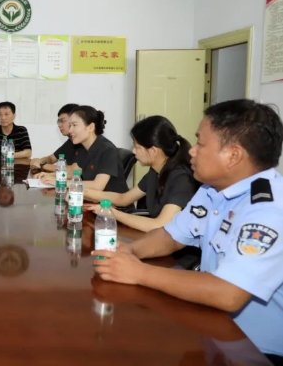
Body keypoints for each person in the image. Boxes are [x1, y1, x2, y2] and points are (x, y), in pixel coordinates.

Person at [92, 99, 283, 364]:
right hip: (214, 327)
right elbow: (171, 235)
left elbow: (228, 293)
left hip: (257, 350)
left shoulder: (269, 209)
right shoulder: (212, 190)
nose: (191, 151)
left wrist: (139, 272)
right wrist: (130, 250)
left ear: (234, 155)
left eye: (201, 144)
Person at [84, 116, 200, 232]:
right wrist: (83, 192)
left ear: (153, 151)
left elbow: (160, 225)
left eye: (137, 147)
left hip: (175, 241)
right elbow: (124, 198)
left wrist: (111, 213)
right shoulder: (155, 171)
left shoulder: (181, 178)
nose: (133, 151)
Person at [37, 106, 128, 196]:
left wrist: (60, 182)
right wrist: (50, 176)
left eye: (74, 125)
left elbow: (97, 185)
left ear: (91, 127)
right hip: (91, 199)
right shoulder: (85, 148)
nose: (70, 130)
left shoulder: (107, 149)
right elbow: (74, 173)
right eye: (70, 125)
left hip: (110, 204)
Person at [30, 103, 86, 172]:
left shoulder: (84, 142)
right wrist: (38, 161)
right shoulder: (70, 142)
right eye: (58, 121)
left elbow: (73, 170)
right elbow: (51, 158)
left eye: (62, 121)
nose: (59, 125)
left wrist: (42, 165)